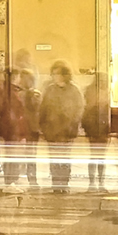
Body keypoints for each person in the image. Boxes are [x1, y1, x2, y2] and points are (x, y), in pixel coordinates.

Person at [36, 63, 85, 192]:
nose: (55, 76)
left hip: (66, 131)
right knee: (54, 159)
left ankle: (64, 182)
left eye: (57, 73)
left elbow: (79, 109)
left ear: (64, 75)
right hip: (52, 131)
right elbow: (43, 108)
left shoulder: (74, 90)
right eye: (54, 73)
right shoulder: (50, 89)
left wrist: (73, 124)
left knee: (64, 158)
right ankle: (56, 183)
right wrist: (43, 125)